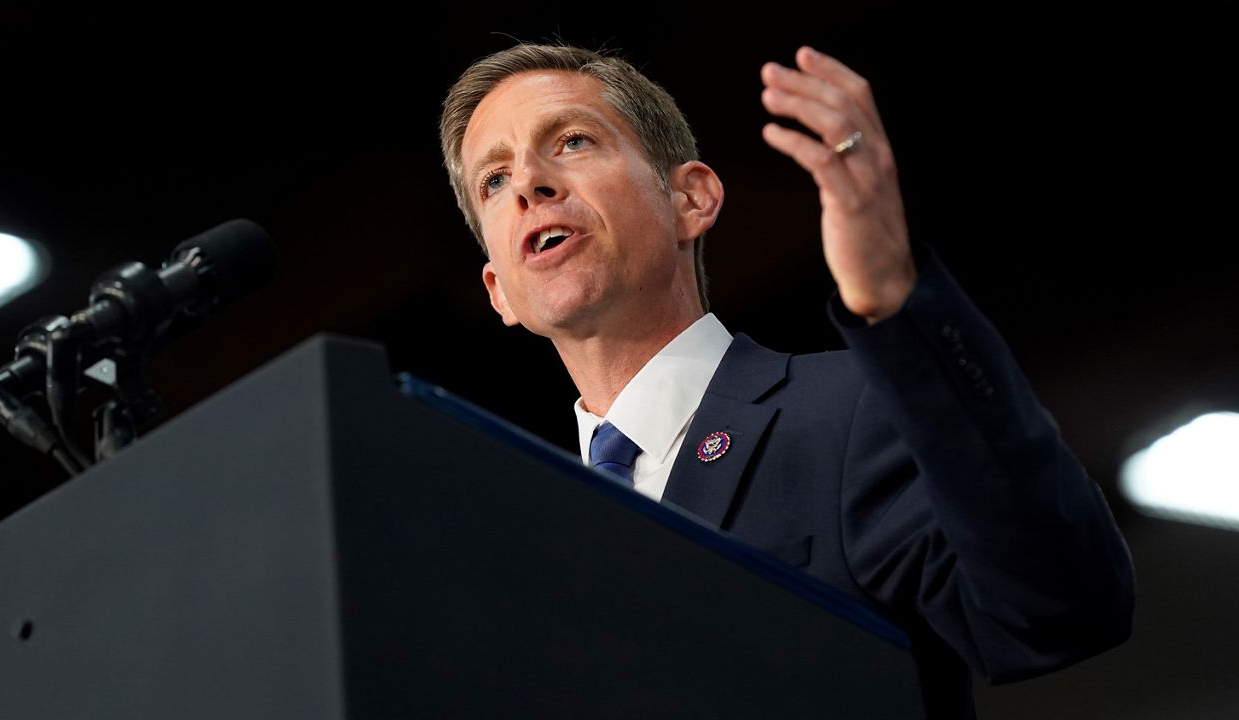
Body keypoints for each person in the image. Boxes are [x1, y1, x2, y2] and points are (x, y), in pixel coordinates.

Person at [439, 42, 1134, 718]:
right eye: (493, 181)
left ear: (691, 199)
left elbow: (1060, 610)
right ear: (498, 290)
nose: (528, 182)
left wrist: (895, 295)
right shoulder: (523, 555)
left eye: (571, 142)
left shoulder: (854, 412)